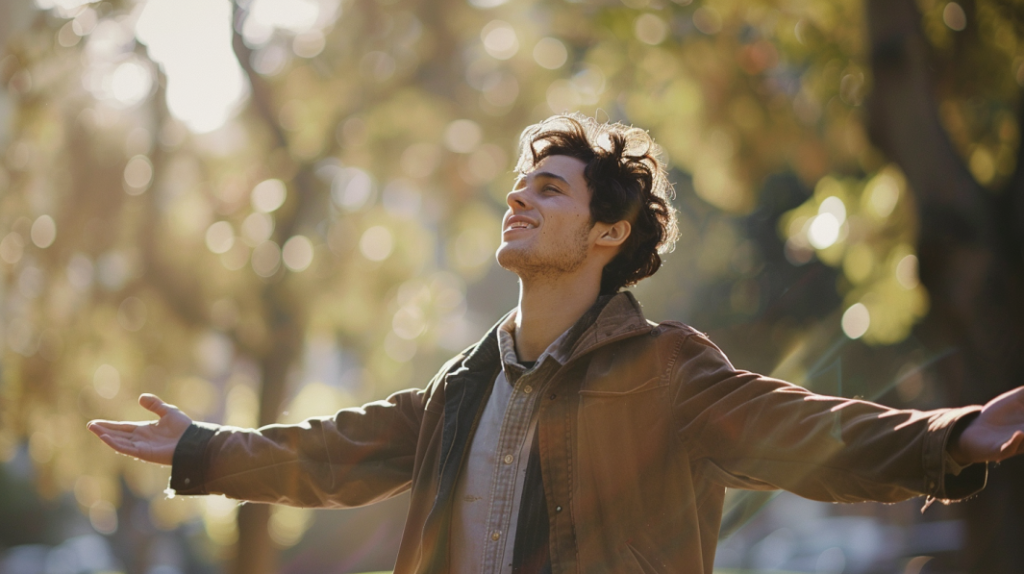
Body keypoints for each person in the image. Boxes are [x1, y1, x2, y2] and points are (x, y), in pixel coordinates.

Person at [89, 114, 1024, 574]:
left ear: (609, 233)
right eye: (517, 187)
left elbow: (807, 430)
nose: (518, 200)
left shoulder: (667, 371)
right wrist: (203, 449)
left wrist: (954, 435)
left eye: (548, 191)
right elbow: (332, 452)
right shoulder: (461, 386)